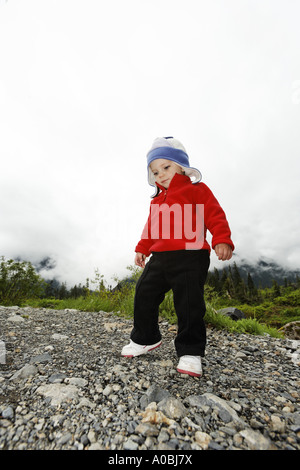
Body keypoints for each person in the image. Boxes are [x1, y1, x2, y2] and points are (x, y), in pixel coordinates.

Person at [121, 137, 234, 377]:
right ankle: (145, 337)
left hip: (191, 256)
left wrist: (221, 238)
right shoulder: (157, 200)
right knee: (144, 293)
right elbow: (151, 227)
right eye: (154, 171)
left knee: (190, 303)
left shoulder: (197, 190)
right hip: (161, 257)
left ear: (181, 166)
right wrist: (142, 247)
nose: (160, 175)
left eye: (166, 167)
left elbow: (215, 214)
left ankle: (190, 351)